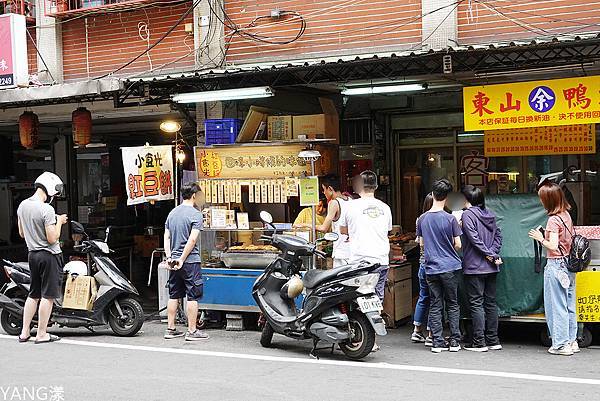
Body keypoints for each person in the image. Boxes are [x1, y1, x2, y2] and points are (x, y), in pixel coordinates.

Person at [340, 171, 392, 351]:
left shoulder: (350, 207)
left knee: (355, 298)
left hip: (359, 261)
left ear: (359, 186)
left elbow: (343, 231)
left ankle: (357, 335)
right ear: (376, 186)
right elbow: (387, 231)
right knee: (375, 299)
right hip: (380, 260)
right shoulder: (385, 208)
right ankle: (373, 339)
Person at [528, 182, 578, 356]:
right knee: (569, 304)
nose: (540, 201)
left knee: (556, 306)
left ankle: (561, 344)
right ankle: (572, 341)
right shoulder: (566, 215)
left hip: (556, 265)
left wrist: (540, 237)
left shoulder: (553, 219)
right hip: (569, 265)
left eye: (542, 198)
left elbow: (553, 245)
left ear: (548, 200)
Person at [17, 172, 67, 344]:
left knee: (34, 294)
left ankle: (24, 332)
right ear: (50, 188)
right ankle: (41, 333)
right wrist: (59, 221)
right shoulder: (47, 209)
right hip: (49, 256)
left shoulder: (22, 206)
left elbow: (22, 233)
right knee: (48, 296)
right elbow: (52, 238)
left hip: (32, 255)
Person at [416, 178, 462, 353]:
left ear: (433, 194)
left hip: (431, 268)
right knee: (452, 304)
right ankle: (455, 341)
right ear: (447, 197)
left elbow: (421, 243)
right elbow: (458, 245)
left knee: (435, 304)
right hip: (450, 266)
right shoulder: (450, 219)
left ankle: (437, 342)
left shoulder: (422, 219)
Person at [163, 182, 209, 341]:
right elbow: (192, 239)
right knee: (193, 296)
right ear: (195, 195)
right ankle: (192, 330)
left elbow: (166, 237)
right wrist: (182, 259)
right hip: (189, 261)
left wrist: (170, 257)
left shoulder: (172, 213)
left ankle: (170, 329)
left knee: (174, 295)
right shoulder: (196, 214)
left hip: (173, 261)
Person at [461, 185, 503, 352]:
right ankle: (493, 339)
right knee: (490, 303)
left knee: (476, 303)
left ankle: (479, 342)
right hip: (491, 268)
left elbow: (474, 239)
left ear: (467, 200)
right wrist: (493, 253)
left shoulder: (467, 215)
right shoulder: (489, 214)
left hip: (474, 266)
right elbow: (499, 235)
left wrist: (489, 254)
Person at [315, 174, 352, 268]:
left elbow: (324, 228)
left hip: (341, 252)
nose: (323, 193)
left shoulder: (334, 203)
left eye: (324, 189)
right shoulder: (351, 200)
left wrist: (306, 225)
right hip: (352, 251)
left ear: (330, 189)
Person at [411, 194, 434, 345]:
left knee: (423, 297)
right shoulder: (441, 218)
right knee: (435, 299)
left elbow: (419, 242)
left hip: (422, 263)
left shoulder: (420, 219)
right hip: (434, 264)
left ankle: (416, 331)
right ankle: (431, 333)